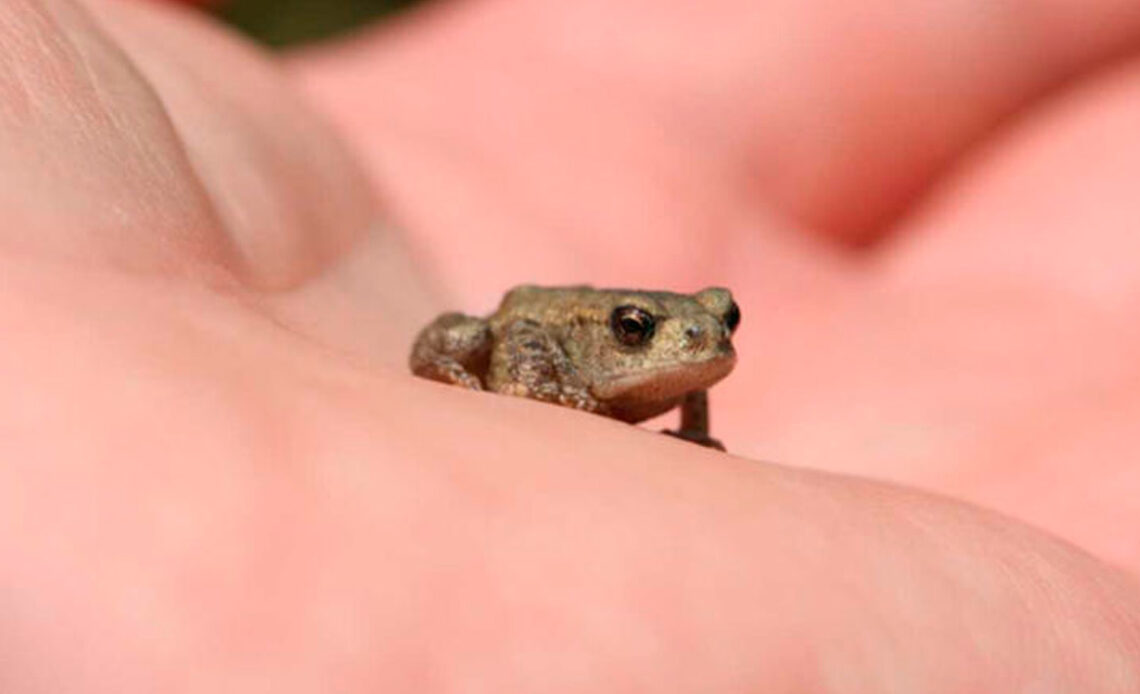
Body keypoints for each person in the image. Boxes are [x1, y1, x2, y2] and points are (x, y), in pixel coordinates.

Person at [3, 0, 1139, 689]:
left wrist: (689, 412)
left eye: (718, 325)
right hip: (520, 321)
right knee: (452, 339)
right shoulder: (567, 348)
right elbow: (501, 339)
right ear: (622, 338)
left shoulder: (677, 365)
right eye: (662, 333)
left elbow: (690, 380)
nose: (698, 342)